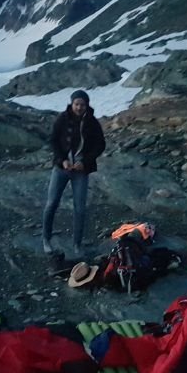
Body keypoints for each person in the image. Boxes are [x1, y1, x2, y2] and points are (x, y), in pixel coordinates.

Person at [42, 89, 106, 256]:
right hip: (61, 168)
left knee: (80, 208)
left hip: (80, 171)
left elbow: (100, 144)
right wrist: (62, 159)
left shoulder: (92, 122)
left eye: (82, 104)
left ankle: (77, 244)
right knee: (51, 203)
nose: (79, 107)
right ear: (71, 104)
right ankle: (46, 239)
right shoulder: (62, 119)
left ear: (87, 105)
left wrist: (85, 162)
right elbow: (53, 140)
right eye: (76, 104)